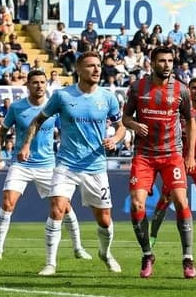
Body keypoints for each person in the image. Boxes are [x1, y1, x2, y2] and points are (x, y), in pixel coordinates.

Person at [20, 51, 126, 276]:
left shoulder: (108, 97)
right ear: (79, 69)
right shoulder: (62, 96)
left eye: (98, 65)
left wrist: (115, 139)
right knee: (57, 208)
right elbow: (38, 120)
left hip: (96, 167)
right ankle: (50, 263)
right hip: (66, 165)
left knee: (105, 220)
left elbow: (121, 126)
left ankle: (105, 253)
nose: (97, 70)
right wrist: (26, 145)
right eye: (90, 66)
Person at [0, 70, 92, 262]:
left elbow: (69, 129)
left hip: (47, 164)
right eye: (35, 82)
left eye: (42, 82)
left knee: (65, 207)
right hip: (21, 164)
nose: (39, 86)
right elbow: (2, 131)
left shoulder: (55, 108)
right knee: (7, 202)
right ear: (28, 85)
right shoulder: (17, 107)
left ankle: (78, 247)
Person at [121, 46, 196, 279]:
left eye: (170, 61)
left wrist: (190, 154)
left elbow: (190, 122)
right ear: (152, 63)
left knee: (181, 200)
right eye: (162, 61)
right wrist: (134, 125)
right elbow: (125, 117)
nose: (167, 64)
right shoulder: (137, 88)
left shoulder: (182, 91)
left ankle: (188, 257)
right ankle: (147, 254)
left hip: (171, 154)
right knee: (136, 205)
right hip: (144, 155)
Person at [150, 77, 196, 250]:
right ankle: (153, 235)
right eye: (193, 88)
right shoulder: (180, 111)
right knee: (166, 198)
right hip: (178, 162)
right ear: (188, 90)